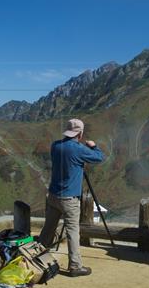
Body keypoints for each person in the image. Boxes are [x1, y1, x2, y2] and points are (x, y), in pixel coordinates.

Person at [38, 118, 104, 277]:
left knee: (48, 228)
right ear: (80, 134)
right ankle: (75, 266)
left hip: (53, 195)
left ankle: (37, 256)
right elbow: (99, 157)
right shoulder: (79, 149)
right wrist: (93, 146)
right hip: (69, 199)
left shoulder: (55, 146)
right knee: (73, 231)